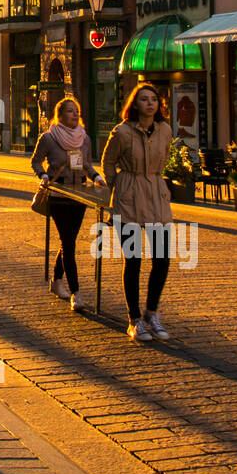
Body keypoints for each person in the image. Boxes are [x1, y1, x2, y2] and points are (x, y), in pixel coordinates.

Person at [101, 82, 174, 343]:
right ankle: (134, 320)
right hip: (129, 199)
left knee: (162, 259)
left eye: (154, 99)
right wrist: (118, 187)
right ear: (135, 104)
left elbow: (164, 157)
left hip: (156, 197)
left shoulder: (165, 130)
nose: (150, 103)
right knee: (133, 260)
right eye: (144, 99)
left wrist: (156, 182)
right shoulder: (121, 132)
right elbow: (108, 162)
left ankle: (151, 312)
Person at [31, 97, 106, 313]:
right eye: (70, 111)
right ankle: (76, 292)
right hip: (59, 194)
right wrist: (43, 174)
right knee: (68, 242)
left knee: (69, 241)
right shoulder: (48, 137)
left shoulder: (84, 139)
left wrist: (96, 177)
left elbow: (86, 164)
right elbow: (36, 160)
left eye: (77, 111)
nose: (75, 115)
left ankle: (56, 280)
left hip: (79, 195)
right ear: (60, 114)